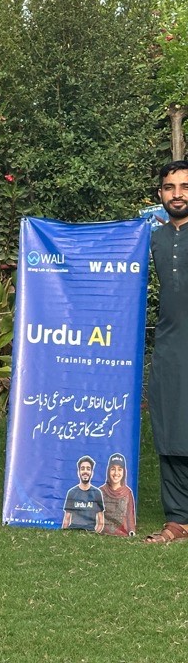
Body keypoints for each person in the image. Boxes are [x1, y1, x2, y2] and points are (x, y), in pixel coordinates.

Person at [148, 159, 188, 543]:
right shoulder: (156, 238)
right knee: (172, 427)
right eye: (170, 187)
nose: (177, 195)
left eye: (185, 187)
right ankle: (178, 518)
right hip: (172, 344)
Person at [62, 456, 105, 533]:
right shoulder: (71, 492)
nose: (85, 471)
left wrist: (95, 535)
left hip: (90, 531)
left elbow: (101, 521)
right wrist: (64, 535)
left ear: (92, 472)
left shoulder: (97, 493)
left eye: (88, 469)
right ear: (78, 472)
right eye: (82, 468)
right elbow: (66, 519)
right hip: (73, 531)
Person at [99, 453, 137, 538]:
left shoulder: (127, 492)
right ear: (108, 471)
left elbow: (129, 514)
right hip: (103, 529)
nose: (116, 473)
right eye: (113, 469)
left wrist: (131, 530)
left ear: (124, 472)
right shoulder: (101, 491)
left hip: (122, 531)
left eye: (120, 469)